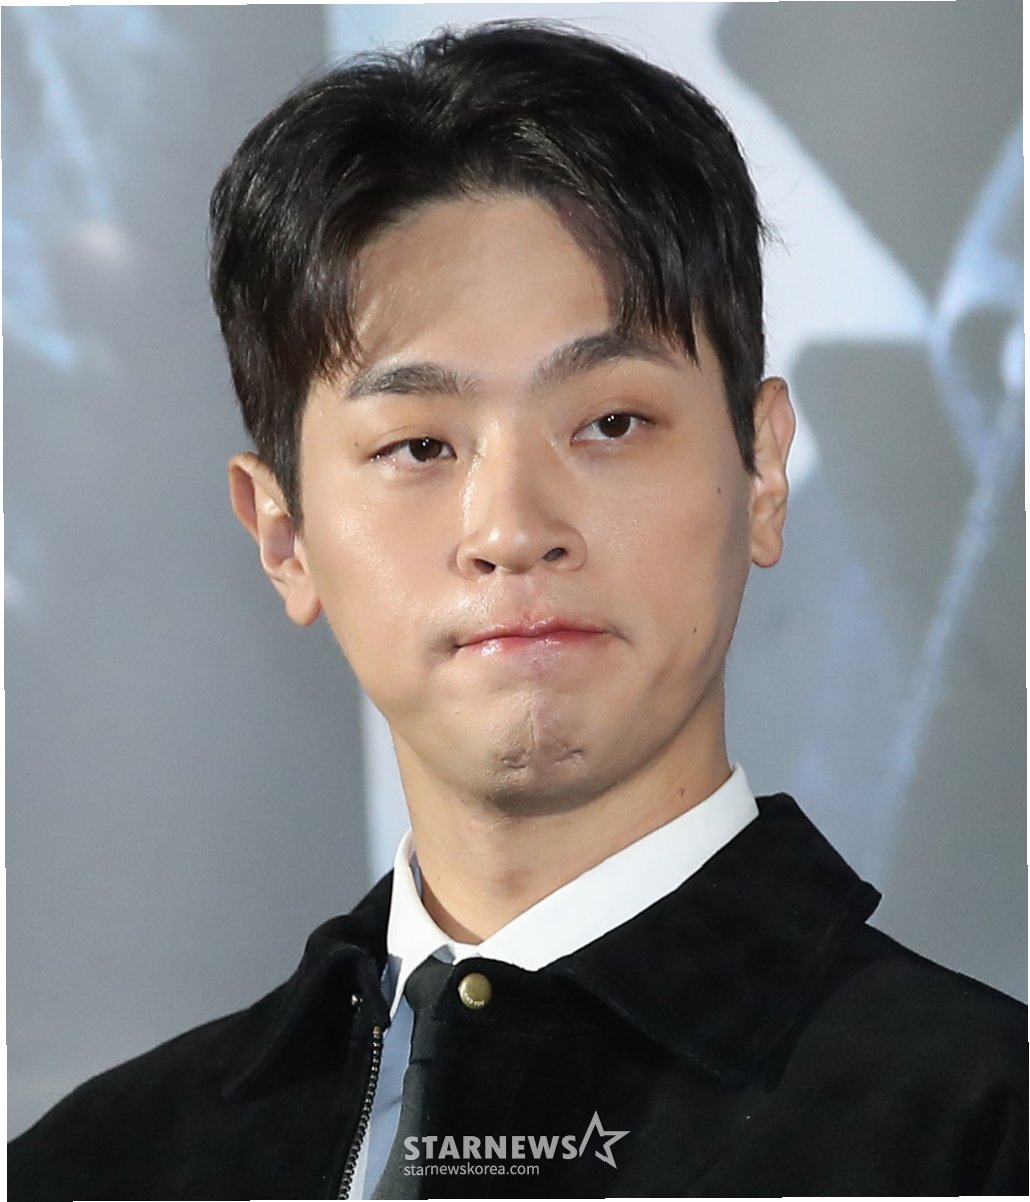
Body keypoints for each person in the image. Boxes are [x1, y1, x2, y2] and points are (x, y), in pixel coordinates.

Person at [9, 20, 1025, 1200]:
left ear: (760, 471)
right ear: (282, 534)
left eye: (610, 423)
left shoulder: (981, 1126)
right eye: (419, 445)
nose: (511, 527)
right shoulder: (95, 1167)